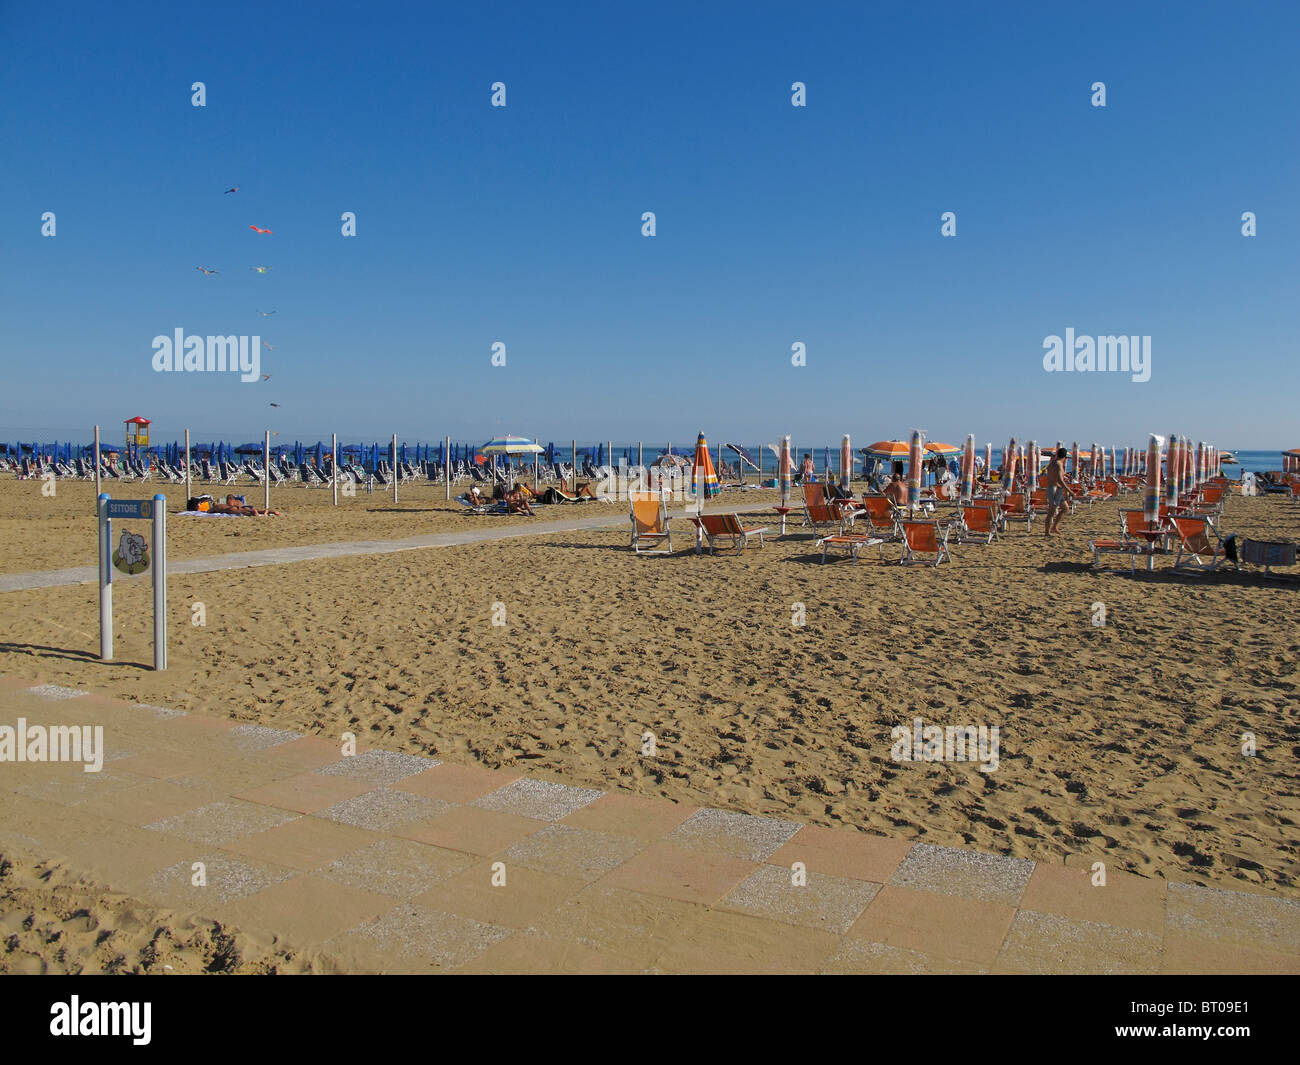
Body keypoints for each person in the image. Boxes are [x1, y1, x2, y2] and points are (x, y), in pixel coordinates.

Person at [1043, 448, 1070, 537]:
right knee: (1051, 512)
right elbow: (1059, 480)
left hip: (1057, 489)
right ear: (1065, 457)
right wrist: (1069, 490)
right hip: (1054, 489)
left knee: (1065, 508)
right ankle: (1047, 532)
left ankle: (1054, 527)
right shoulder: (1058, 464)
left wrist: (1064, 475)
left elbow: (1054, 475)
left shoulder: (1053, 463)